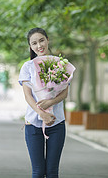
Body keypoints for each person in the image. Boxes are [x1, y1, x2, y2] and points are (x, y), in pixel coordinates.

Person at [19, 27, 69, 178]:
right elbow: (28, 96)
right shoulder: (27, 67)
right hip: (33, 124)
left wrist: (50, 103)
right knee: (38, 172)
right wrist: (42, 113)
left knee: (52, 172)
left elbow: (65, 92)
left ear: (47, 40)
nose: (39, 45)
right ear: (30, 46)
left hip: (57, 123)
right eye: (34, 43)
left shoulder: (60, 64)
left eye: (41, 40)